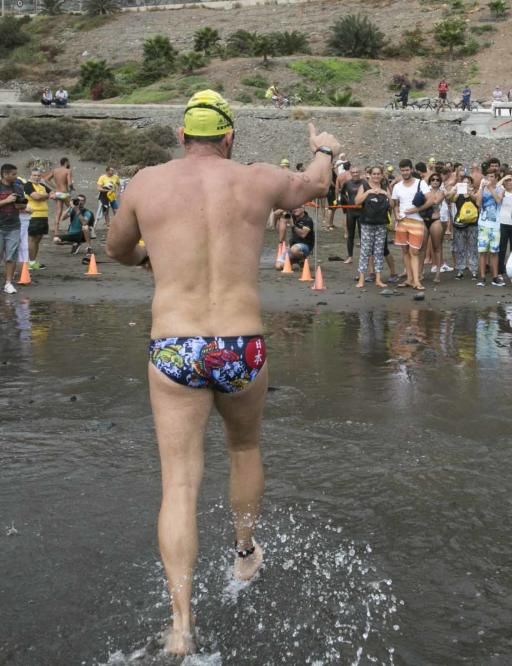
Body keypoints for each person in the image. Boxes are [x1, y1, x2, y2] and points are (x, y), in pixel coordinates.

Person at [104, 90, 340, 656]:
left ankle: (181, 624)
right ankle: (243, 555)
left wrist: (149, 259)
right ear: (229, 136)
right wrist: (327, 148)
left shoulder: (145, 182)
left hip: (176, 345)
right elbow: (315, 185)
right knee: (244, 449)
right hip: (241, 345)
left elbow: (116, 249)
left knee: (179, 483)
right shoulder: (255, 178)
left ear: (182, 136)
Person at [391, 159, 431, 290]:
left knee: (414, 251)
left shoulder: (420, 183)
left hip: (417, 220)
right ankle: (409, 279)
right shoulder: (397, 186)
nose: (405, 172)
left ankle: (417, 281)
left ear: (411, 169)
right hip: (402, 221)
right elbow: (395, 204)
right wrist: (396, 214)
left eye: (407, 170)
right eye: (402, 170)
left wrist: (416, 210)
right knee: (405, 251)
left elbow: (431, 200)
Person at [354, 166, 391, 289]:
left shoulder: (385, 187)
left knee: (379, 252)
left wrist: (386, 194)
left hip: (381, 224)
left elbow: (392, 204)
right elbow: (357, 201)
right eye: (374, 174)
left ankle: (379, 279)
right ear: (369, 175)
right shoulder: (364, 186)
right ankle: (361, 279)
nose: (376, 176)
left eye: (378, 174)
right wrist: (368, 193)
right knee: (365, 251)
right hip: (367, 223)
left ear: (381, 175)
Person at [0, 164, 26, 295]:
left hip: (14, 226)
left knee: (11, 256)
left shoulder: (18, 187)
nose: (16, 177)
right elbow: (6, 202)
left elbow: (21, 206)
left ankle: (8, 283)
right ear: (5, 174)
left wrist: (21, 204)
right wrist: (6, 200)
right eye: (13, 174)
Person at [475, 170, 503, 286]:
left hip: (495, 226)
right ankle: (482, 277)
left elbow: (498, 200)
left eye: (491, 176)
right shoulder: (482, 189)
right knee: (482, 252)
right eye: (488, 176)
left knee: (494, 252)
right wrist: (481, 188)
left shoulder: (500, 189)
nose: (489, 178)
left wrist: (491, 188)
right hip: (483, 225)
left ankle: (495, 276)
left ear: (496, 178)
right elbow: (478, 203)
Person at [24, 167, 54, 271]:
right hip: (34, 216)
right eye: (35, 175)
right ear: (30, 176)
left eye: (39, 176)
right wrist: (46, 195)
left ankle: (33, 261)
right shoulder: (28, 185)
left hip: (43, 216)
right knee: (33, 239)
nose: (37, 177)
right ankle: (29, 262)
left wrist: (46, 195)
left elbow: (52, 193)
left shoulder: (41, 185)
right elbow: (36, 197)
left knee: (38, 239)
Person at [496, 173, 512, 276]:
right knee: (502, 247)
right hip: (503, 223)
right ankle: (500, 269)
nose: (509, 182)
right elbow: (496, 187)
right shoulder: (502, 192)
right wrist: (503, 179)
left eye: (511, 180)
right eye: (507, 181)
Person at [340, 166, 364, 264]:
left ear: (360, 172)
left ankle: (363, 256)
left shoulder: (364, 183)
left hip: (362, 211)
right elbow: (342, 194)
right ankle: (350, 256)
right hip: (351, 212)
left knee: (363, 235)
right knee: (350, 235)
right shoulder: (347, 183)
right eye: (353, 172)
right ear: (350, 173)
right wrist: (347, 203)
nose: (355, 174)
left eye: (357, 172)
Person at [45, 157, 74, 235]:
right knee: (73, 208)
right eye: (68, 162)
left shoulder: (55, 170)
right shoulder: (68, 171)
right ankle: (71, 226)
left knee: (58, 212)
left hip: (57, 193)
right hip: (65, 193)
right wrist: (72, 188)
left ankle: (56, 232)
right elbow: (70, 183)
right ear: (66, 162)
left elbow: (46, 179)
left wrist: (55, 186)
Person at [96, 165, 120, 230]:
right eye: (111, 170)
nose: (113, 171)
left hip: (112, 197)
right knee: (106, 212)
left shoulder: (116, 177)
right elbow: (98, 188)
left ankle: (116, 224)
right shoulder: (102, 177)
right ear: (107, 171)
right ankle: (108, 225)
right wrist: (107, 190)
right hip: (104, 197)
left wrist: (117, 191)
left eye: (113, 170)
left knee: (116, 211)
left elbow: (118, 184)